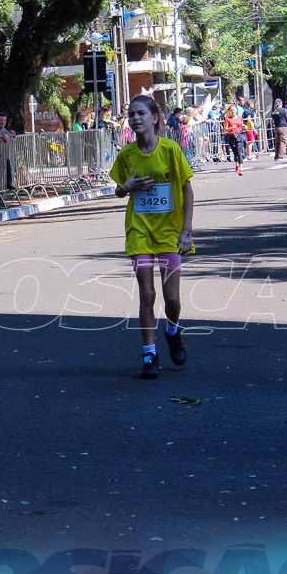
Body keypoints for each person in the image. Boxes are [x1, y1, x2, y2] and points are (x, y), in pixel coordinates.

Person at [109, 94, 194, 380]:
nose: (135, 118)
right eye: (131, 114)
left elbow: (187, 189)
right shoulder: (126, 155)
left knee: (172, 299)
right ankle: (149, 353)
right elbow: (119, 191)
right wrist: (127, 186)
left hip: (169, 231)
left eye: (141, 113)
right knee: (147, 294)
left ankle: (172, 329)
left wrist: (186, 230)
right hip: (140, 230)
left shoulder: (170, 150)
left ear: (155, 118)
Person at [222, 105, 245, 175]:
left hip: (239, 135)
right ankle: (237, 164)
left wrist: (245, 126)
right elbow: (225, 129)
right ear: (229, 111)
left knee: (239, 151)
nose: (233, 112)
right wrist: (231, 127)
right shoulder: (227, 119)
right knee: (235, 153)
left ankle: (241, 168)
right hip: (231, 135)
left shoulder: (240, 117)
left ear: (236, 111)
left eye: (234, 110)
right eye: (231, 110)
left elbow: (242, 125)